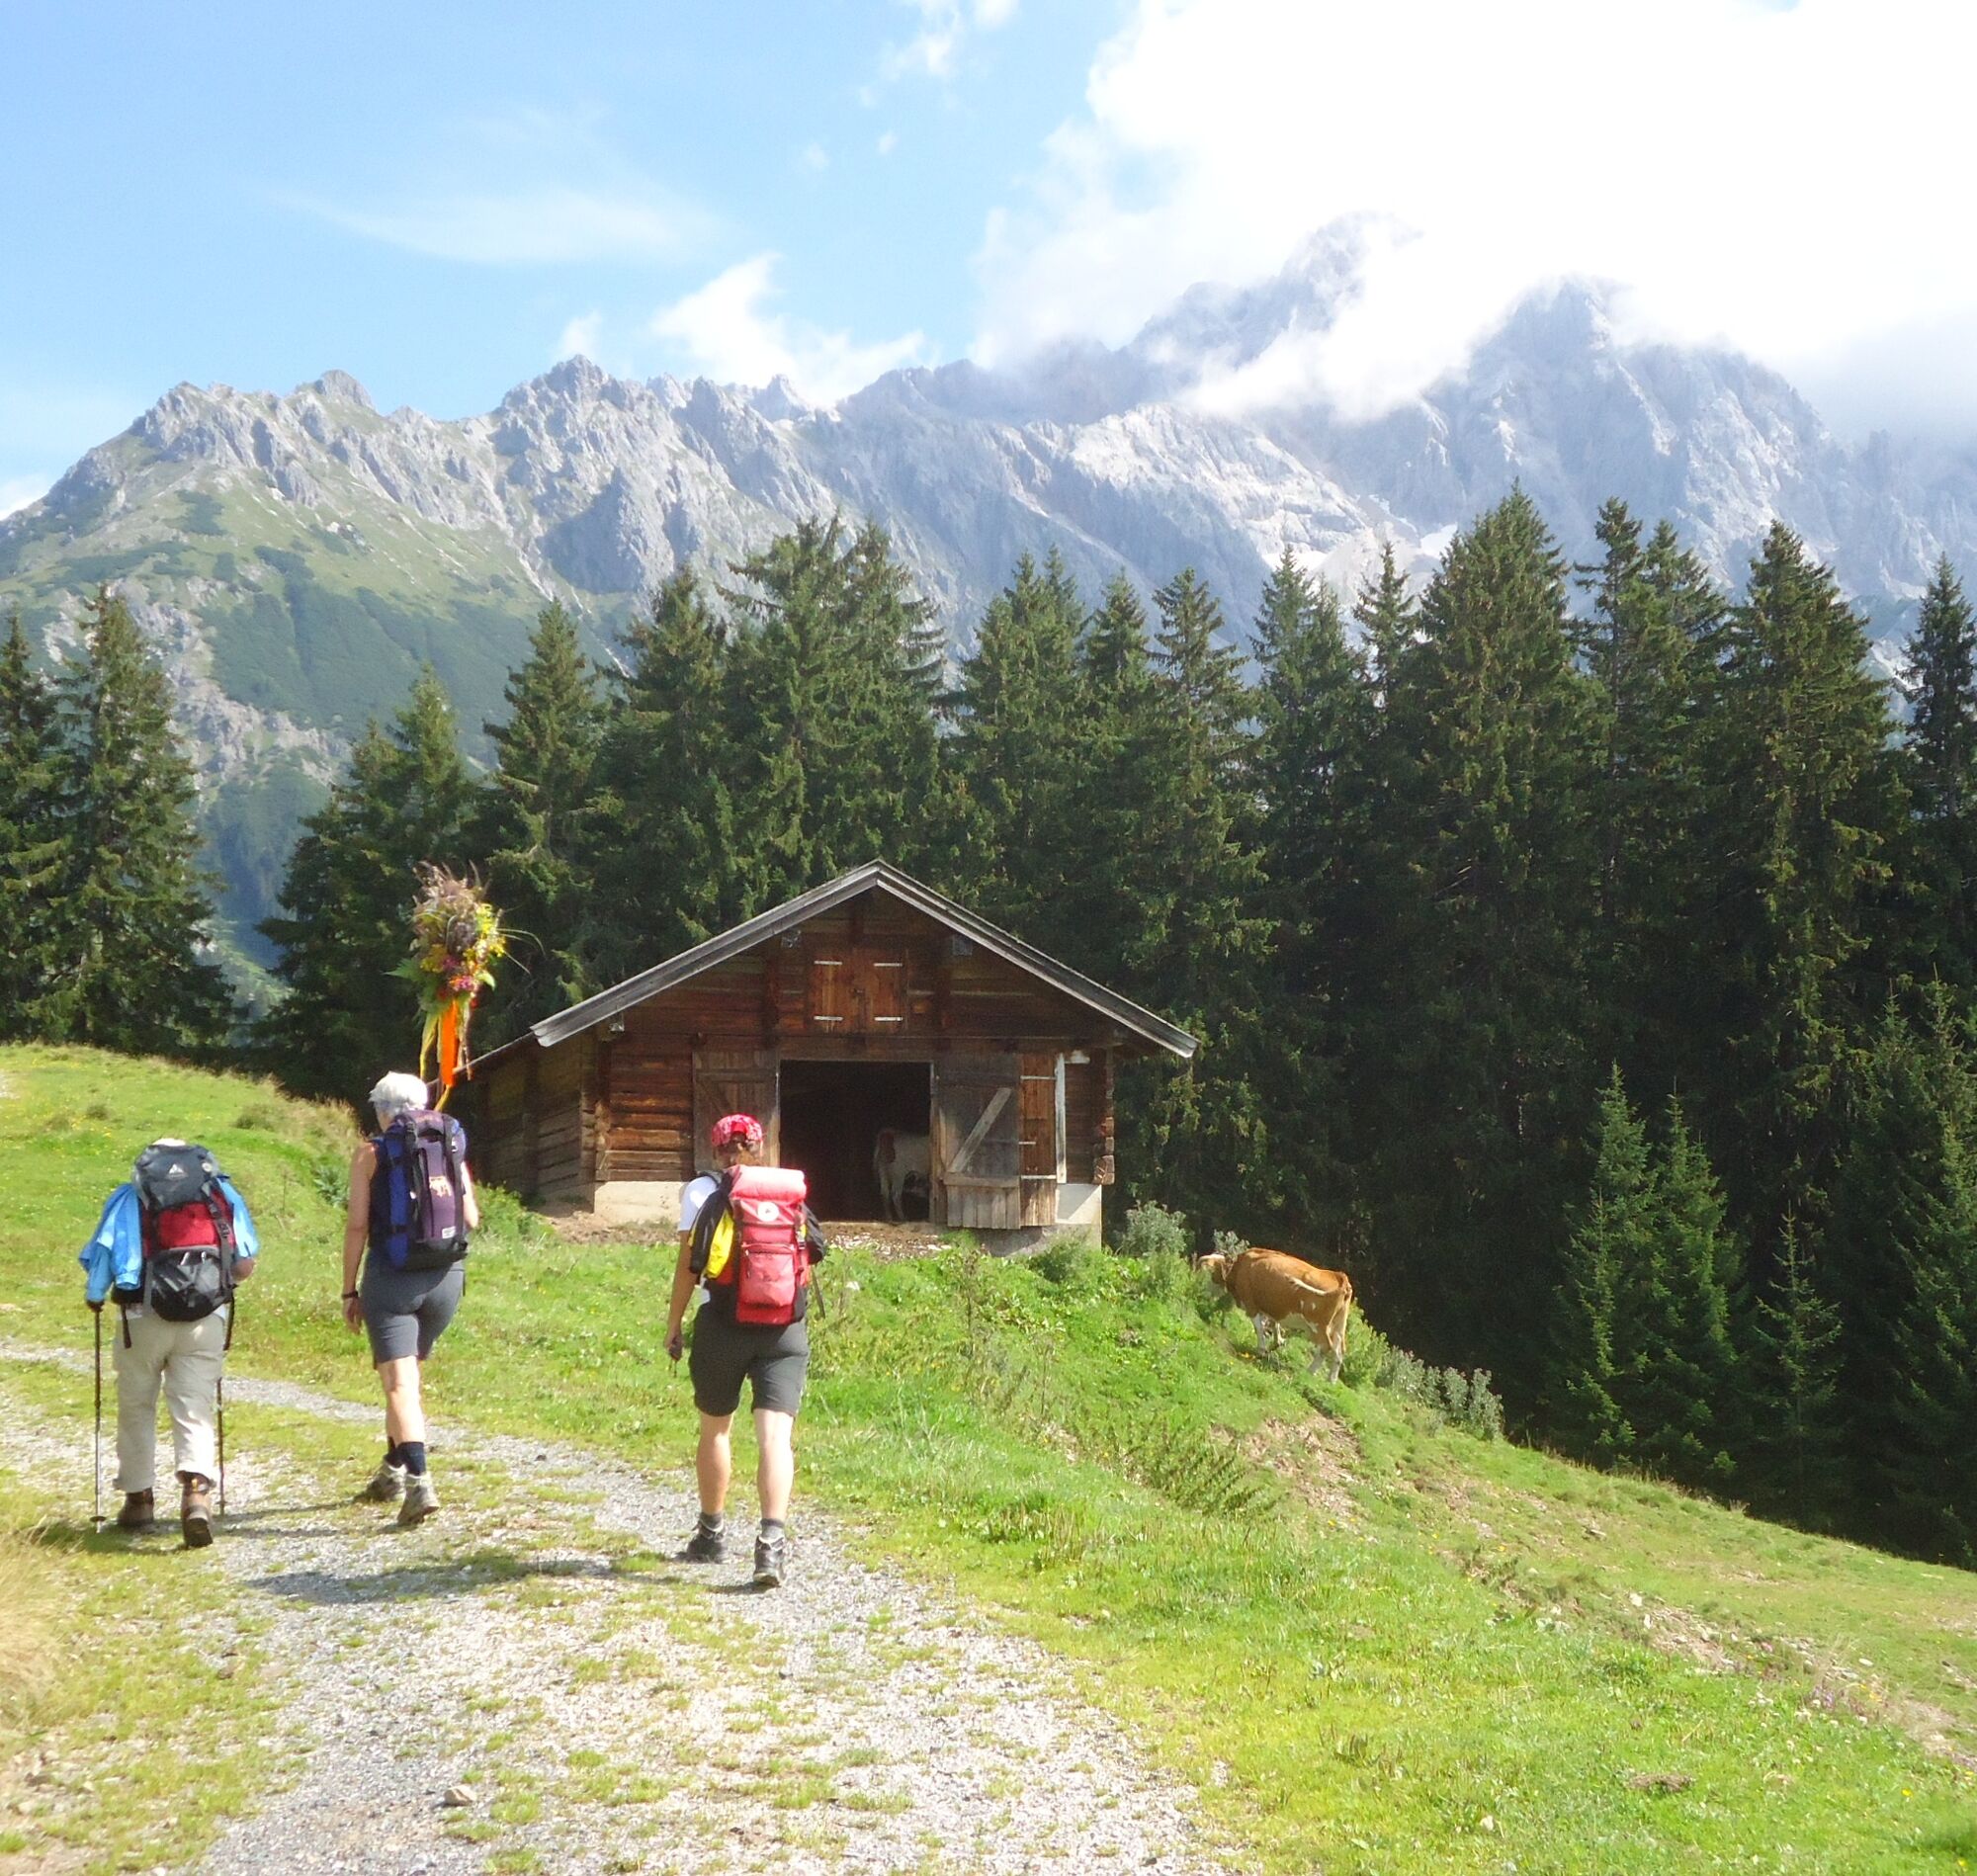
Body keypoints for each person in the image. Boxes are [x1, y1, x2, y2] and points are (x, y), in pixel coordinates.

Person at [665, 1114, 826, 1587]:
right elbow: (807, 1262)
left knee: (716, 1430)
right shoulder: (786, 1191)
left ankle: (711, 1534)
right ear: (760, 1147)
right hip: (784, 1329)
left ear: (715, 1150)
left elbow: (688, 1266)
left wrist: (674, 1326)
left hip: (723, 1324)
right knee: (775, 1439)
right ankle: (771, 1547)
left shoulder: (702, 1192)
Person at [79, 1139, 259, 1547]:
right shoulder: (221, 1195)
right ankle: (196, 1492)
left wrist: (94, 1295)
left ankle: (138, 1499)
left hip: (141, 1316)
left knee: (136, 1405)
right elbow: (245, 1264)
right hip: (205, 1316)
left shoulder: (129, 1197)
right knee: (194, 1404)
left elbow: (103, 1254)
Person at [342, 1071, 477, 1525]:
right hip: (446, 1278)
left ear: (382, 1111)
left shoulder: (370, 1153)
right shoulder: (447, 1142)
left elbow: (357, 1226)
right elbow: (471, 1218)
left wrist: (349, 1289)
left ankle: (420, 1483)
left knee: (400, 1386)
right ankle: (391, 1470)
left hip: (393, 1280)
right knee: (407, 1381)